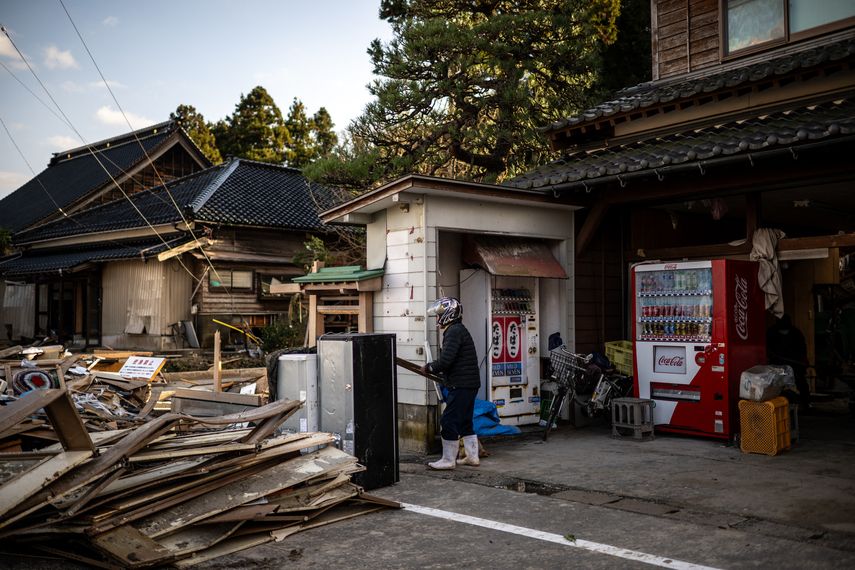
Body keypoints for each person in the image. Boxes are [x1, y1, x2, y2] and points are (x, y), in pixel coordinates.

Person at [422, 296, 481, 470]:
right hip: (469, 383)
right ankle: (472, 457)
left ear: (448, 314)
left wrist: (429, 367)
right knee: (464, 421)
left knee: (448, 421)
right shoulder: (459, 329)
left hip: (461, 383)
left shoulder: (453, 331)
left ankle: (448, 460)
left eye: (439, 314)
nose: (437, 318)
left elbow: (446, 360)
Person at [766, 314, 811, 411]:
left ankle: (805, 403)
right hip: (777, 364)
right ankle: (776, 405)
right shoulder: (771, 333)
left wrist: (802, 362)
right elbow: (768, 349)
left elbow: (802, 350)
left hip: (795, 364)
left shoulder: (796, 333)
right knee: (776, 385)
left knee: (801, 382)